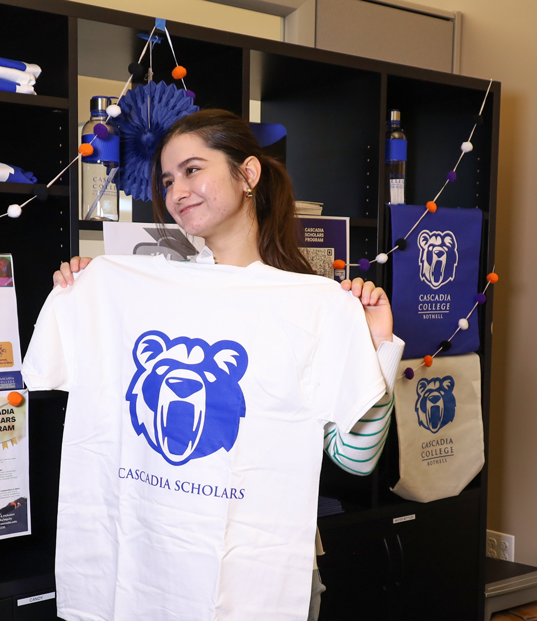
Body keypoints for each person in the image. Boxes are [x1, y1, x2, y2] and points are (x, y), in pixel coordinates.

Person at [41, 109, 403, 621]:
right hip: (150, 570)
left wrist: (378, 344)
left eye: (192, 169)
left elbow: (356, 458)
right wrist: (83, 292)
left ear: (248, 174)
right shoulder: (139, 294)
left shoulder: (310, 302)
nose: (177, 190)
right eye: (167, 180)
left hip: (260, 577)